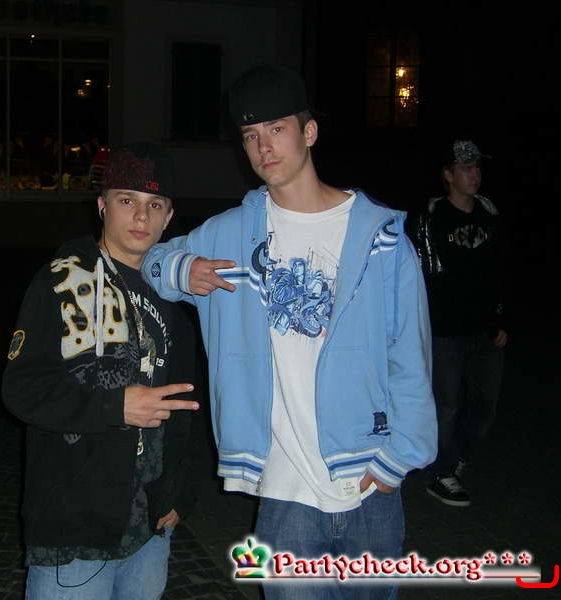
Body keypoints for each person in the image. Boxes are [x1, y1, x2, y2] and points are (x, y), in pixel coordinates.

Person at [141, 64, 437, 599]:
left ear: (309, 132)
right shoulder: (231, 233)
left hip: (368, 480)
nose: (263, 147)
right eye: (250, 136)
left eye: (276, 129)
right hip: (284, 489)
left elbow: (410, 354)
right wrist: (183, 269)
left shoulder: (382, 237)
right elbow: (151, 261)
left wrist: (400, 458)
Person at [1, 142, 201, 599]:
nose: (141, 216)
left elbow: (185, 405)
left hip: (150, 524)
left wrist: (178, 493)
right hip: (76, 523)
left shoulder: (172, 299)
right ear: (102, 205)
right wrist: (114, 406)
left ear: (169, 217)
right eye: (127, 200)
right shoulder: (61, 280)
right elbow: (21, 388)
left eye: (155, 205)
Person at [411, 139, 507, 507]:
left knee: (485, 405)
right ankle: (440, 472)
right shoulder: (431, 218)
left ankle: (454, 457)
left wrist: (500, 318)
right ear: (448, 175)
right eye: (466, 168)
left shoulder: (489, 214)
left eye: (477, 167)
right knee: (446, 404)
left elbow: (499, 270)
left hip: (484, 330)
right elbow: (423, 275)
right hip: (445, 331)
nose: (474, 174)